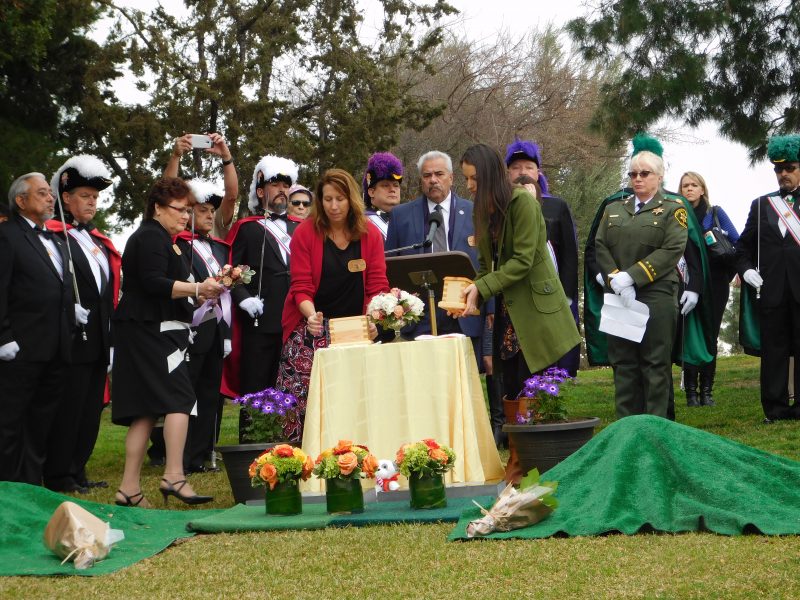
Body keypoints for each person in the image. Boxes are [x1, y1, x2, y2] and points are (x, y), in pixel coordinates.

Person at [458, 144, 581, 483]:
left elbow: (523, 261)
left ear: (491, 175)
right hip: (508, 313)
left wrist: (482, 289)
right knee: (508, 384)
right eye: (466, 179)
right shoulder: (483, 211)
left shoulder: (523, 202)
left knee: (534, 384)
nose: (468, 186)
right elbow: (486, 265)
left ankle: (540, 464)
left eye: (474, 178)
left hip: (536, 311)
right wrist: (469, 294)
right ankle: (518, 460)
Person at [112, 177, 222, 507]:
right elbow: (153, 282)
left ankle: (129, 489)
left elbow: (168, 288)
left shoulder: (166, 239)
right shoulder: (149, 237)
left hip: (153, 328)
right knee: (180, 399)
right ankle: (174, 475)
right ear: (158, 208)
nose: (185, 216)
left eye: (189, 210)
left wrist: (199, 298)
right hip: (148, 330)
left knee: (145, 410)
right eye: (179, 210)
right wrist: (198, 288)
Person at [278, 168, 388, 440]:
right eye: (327, 199)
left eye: (340, 198)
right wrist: (311, 316)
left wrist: (373, 321)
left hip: (357, 328)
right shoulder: (305, 233)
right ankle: (300, 450)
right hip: (313, 325)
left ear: (351, 199)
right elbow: (300, 287)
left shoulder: (370, 235)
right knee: (303, 392)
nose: (334, 206)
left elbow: (378, 286)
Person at [594, 143, 689, 419]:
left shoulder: (673, 209)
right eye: (633, 174)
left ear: (659, 177)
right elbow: (600, 246)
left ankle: (655, 428)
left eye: (645, 173)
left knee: (655, 363)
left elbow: (672, 249)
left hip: (656, 294)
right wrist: (616, 280)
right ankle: (627, 428)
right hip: (619, 296)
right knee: (624, 363)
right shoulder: (613, 209)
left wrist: (632, 276)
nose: (638, 179)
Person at [43, 156, 120, 493]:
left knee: (91, 407)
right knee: (69, 406)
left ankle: (78, 468)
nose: (92, 202)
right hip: (70, 336)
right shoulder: (54, 236)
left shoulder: (96, 240)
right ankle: (59, 473)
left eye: (95, 197)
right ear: (66, 198)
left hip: (99, 336)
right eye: (85, 195)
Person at [0, 173, 76, 485]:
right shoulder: (6, 235)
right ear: (21, 201)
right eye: (43, 193)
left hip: (55, 346)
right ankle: (7, 488)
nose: (51, 198)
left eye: (50, 193)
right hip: (20, 347)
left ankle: (31, 485)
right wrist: (3, 336)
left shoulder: (56, 240)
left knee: (40, 421)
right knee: (10, 421)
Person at [222, 155, 301, 441]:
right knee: (257, 383)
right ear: (260, 191)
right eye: (275, 184)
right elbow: (229, 269)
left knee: (293, 382)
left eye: (286, 185)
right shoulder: (247, 227)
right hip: (260, 316)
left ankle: (292, 438)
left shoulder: (300, 227)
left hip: (296, 316)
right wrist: (243, 298)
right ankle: (252, 442)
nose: (282, 189)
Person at [384, 150, 485, 350]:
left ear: (451, 178)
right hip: (417, 318)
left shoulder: (476, 212)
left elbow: (487, 265)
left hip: (463, 312)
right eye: (427, 175)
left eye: (439, 174)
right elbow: (390, 267)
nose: (433, 180)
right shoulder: (400, 216)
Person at [736, 134, 800, 423]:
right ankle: (774, 409)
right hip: (771, 291)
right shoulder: (761, 205)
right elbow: (742, 249)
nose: (783, 174)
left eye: (789, 167)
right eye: (778, 169)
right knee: (773, 353)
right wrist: (746, 269)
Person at [505, 139, 580, 376]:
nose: (522, 173)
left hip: (549, 294)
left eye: (528, 167)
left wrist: (567, 295)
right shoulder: (501, 206)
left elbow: (569, 253)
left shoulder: (556, 206)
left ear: (538, 172)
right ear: (508, 174)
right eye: (516, 168)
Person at [679, 171, 739, 406]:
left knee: (710, 335)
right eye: (685, 186)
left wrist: (730, 275)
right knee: (690, 334)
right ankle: (691, 393)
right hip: (687, 280)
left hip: (715, 281)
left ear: (703, 189)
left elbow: (737, 242)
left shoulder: (715, 213)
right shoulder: (678, 214)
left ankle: (707, 392)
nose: (689, 189)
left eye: (694, 185)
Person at [164, 133, 238, 239]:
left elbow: (231, 197)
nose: (210, 216)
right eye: (203, 210)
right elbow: (166, 193)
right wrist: (176, 156)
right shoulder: (174, 227)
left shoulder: (216, 223)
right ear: (186, 210)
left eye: (212, 211)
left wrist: (226, 156)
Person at [362, 151, 403, 239]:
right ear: (371, 192)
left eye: (396, 185)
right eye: (385, 185)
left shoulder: (407, 220)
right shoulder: (361, 223)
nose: (392, 190)